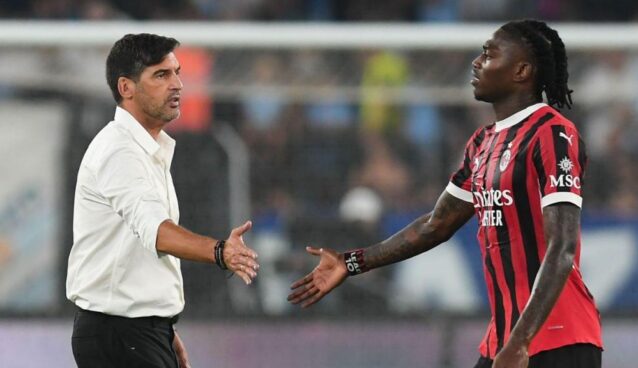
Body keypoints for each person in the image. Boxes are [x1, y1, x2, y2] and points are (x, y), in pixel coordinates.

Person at [288, 19, 603, 368]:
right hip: (504, 342)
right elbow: (435, 225)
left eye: (489, 54)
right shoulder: (482, 143)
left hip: (558, 339)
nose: (476, 62)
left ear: (522, 70)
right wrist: (350, 262)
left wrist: (520, 341)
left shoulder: (553, 133)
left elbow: (562, 247)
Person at [66, 33, 259, 368]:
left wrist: (162, 327)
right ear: (126, 88)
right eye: (161, 75)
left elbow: (131, 255)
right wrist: (221, 252)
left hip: (134, 332)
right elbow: (157, 231)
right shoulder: (120, 152)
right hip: (120, 335)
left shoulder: (145, 149)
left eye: (177, 73)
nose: (178, 85)